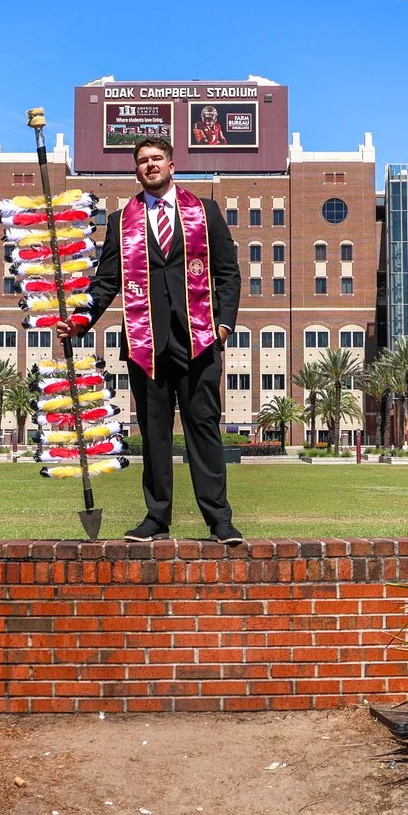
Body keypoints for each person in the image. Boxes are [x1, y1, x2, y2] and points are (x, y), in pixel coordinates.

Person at [78, 135, 243, 542]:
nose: (149, 165)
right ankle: (156, 518)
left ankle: (219, 520)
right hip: (145, 340)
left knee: (202, 428)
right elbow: (106, 281)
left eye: (156, 158)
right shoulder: (122, 220)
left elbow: (228, 273)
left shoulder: (204, 211)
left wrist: (222, 327)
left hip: (199, 339)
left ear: (172, 165)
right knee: (152, 432)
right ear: (136, 169)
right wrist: (82, 321)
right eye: (142, 161)